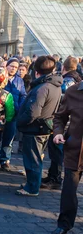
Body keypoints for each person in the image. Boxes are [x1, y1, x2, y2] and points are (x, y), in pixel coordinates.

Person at [16, 55, 62, 196]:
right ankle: (32, 184)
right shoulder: (55, 85)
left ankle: (32, 187)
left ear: (36, 71)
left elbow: (33, 112)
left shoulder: (43, 87)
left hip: (35, 128)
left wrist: (20, 122)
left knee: (33, 160)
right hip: (43, 127)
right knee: (35, 158)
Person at [41, 56, 82, 190]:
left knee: (57, 154)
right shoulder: (76, 84)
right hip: (72, 132)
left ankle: (55, 177)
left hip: (68, 128)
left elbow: (60, 106)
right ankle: (54, 176)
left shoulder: (68, 83)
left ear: (63, 67)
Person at [50, 80, 83, 234]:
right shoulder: (73, 92)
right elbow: (59, 117)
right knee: (69, 191)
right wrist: (58, 132)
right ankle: (64, 224)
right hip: (74, 151)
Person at [0, 57, 26, 171]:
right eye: (12, 66)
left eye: (16, 67)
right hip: (0, 113)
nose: (13, 69)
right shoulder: (1, 78)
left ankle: (4, 160)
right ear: (7, 66)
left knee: (9, 139)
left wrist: (20, 106)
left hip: (13, 114)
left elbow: (23, 94)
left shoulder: (19, 80)